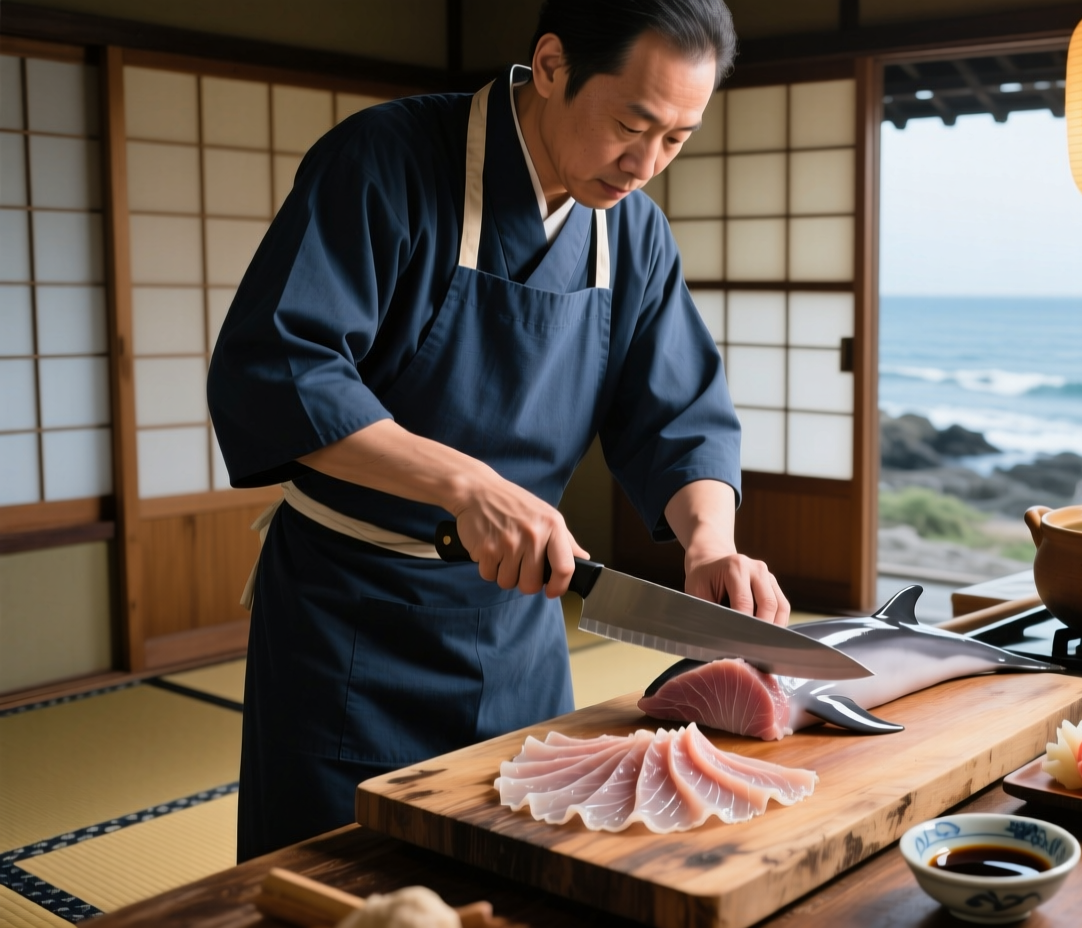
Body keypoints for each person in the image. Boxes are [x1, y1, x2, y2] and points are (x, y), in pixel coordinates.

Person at [206, 0, 787, 861]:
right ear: (550, 66)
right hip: (351, 622)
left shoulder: (633, 231)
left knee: (523, 870)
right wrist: (467, 485)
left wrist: (711, 543)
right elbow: (284, 368)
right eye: (632, 125)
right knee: (336, 878)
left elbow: (678, 409)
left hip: (522, 617)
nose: (645, 164)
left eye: (676, 139)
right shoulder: (384, 161)